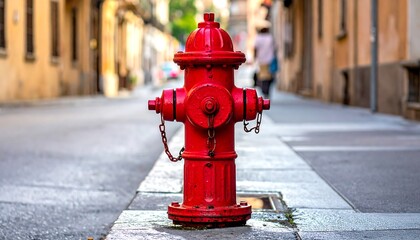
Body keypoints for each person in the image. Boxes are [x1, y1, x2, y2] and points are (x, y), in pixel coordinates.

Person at [254, 20, 276, 98]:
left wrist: (255, 57)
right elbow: (274, 48)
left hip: (261, 59)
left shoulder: (258, 38)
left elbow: (255, 48)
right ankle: (267, 91)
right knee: (269, 76)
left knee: (262, 76)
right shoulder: (270, 38)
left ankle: (264, 90)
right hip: (270, 59)